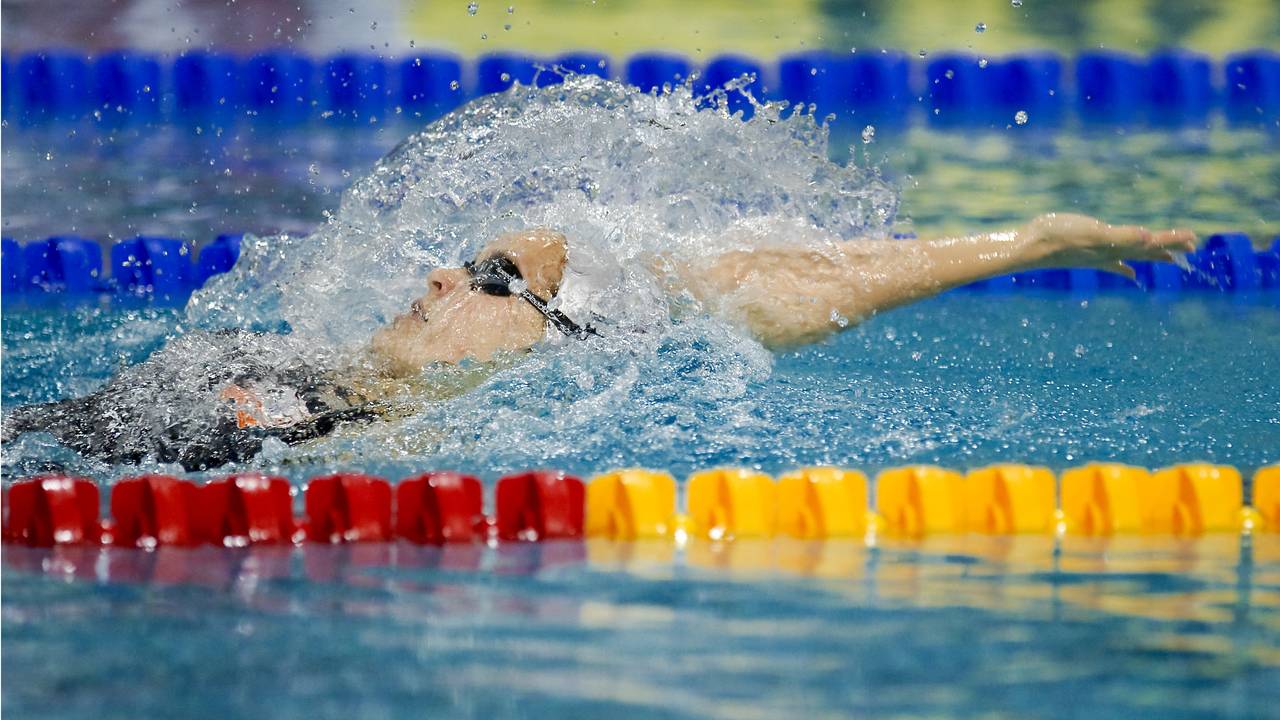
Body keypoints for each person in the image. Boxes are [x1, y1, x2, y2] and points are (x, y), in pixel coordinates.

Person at [2, 212, 1197, 470]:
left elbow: (762, 290)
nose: (431, 278)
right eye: (461, 268)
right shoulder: (340, 379)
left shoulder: (447, 410)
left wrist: (1038, 241)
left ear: (540, 338)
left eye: (473, 280)